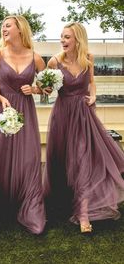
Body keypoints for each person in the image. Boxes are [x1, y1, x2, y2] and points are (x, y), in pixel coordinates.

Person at [43, 22, 124, 233]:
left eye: (67, 37)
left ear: (78, 39)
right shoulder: (54, 62)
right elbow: (47, 89)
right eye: (61, 37)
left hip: (83, 115)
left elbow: (91, 82)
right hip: (63, 116)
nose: (62, 40)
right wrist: (43, 86)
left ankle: (84, 213)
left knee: (83, 160)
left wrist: (94, 95)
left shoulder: (88, 58)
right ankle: (63, 201)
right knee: (63, 161)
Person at [0, 15, 46, 234]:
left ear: (20, 29)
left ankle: (31, 208)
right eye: (2, 26)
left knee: (28, 160)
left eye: (8, 25)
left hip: (26, 113)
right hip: (2, 113)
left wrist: (35, 90)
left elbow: (47, 88)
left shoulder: (36, 58)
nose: (3, 29)